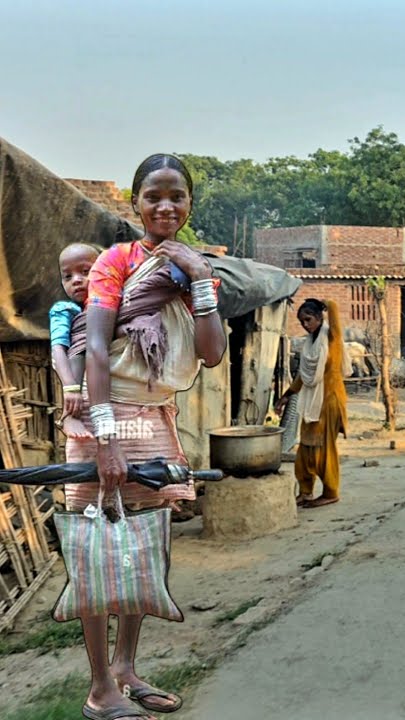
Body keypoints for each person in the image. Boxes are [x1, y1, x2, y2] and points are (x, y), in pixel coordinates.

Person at [72, 153, 226, 719]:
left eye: (177, 196)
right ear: (136, 203)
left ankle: (125, 669)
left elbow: (211, 353)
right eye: (154, 195)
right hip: (104, 418)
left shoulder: (189, 267)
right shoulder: (115, 262)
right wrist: (106, 439)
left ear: (189, 205)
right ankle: (98, 690)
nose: (165, 206)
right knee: (94, 554)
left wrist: (203, 279)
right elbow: (94, 350)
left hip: (156, 420)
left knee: (141, 552)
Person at [275, 298, 351, 508]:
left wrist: (325, 303)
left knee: (323, 449)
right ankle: (305, 491)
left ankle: (330, 491)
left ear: (320, 317)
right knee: (305, 449)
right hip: (311, 403)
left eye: (308, 319)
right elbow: (303, 375)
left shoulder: (331, 338)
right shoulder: (309, 344)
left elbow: (334, 313)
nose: (305, 325)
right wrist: (287, 394)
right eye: (301, 321)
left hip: (330, 402)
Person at [50, 243, 101, 440]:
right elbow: (58, 348)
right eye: (67, 277)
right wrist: (70, 388)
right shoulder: (65, 310)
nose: (77, 281)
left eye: (85, 272)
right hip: (77, 380)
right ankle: (70, 415)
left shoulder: (114, 302)